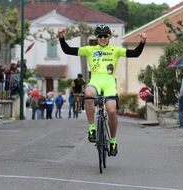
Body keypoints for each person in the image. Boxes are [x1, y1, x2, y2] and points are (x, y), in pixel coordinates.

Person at [58, 24, 147, 156]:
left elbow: (135, 53)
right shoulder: (90, 49)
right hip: (95, 81)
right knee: (88, 94)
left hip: (109, 82)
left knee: (111, 111)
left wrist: (142, 42)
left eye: (105, 35)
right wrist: (61, 38)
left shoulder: (115, 50)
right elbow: (68, 50)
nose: (103, 38)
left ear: (109, 37)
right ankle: (92, 128)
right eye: (100, 36)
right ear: (97, 37)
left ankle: (112, 141)